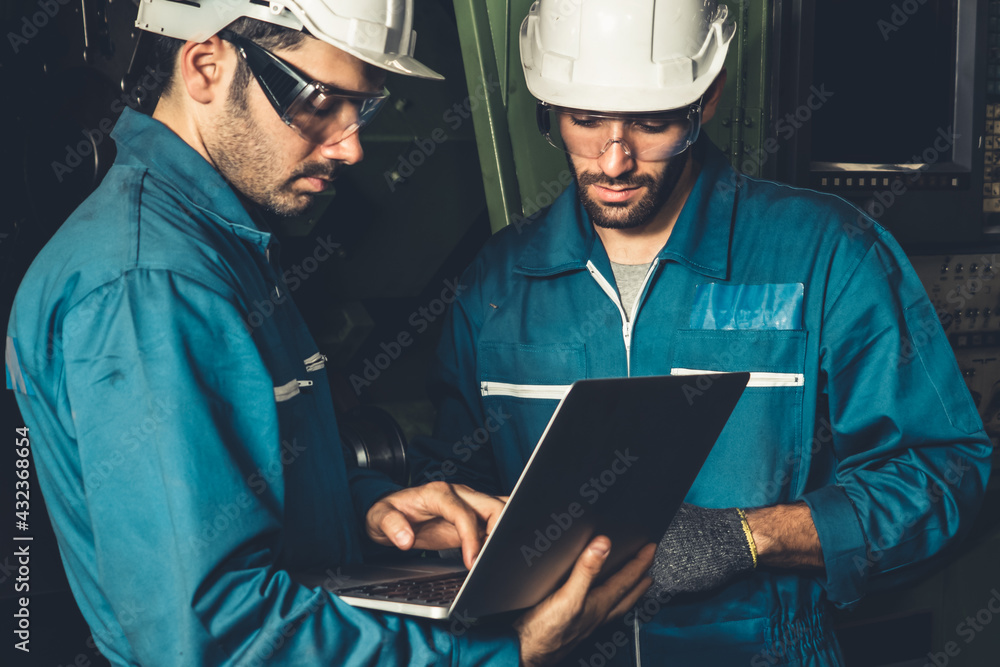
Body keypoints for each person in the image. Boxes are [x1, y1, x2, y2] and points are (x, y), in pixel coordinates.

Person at [3, 1, 656, 664]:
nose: (351, 145)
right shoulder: (151, 284)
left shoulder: (223, 245)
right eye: (321, 101)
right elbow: (215, 639)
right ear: (206, 66)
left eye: (363, 109)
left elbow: (244, 489)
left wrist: (368, 509)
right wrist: (505, 650)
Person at [408, 0, 994, 664]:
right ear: (549, 109)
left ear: (706, 98)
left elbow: (944, 472)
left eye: (652, 123)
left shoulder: (828, 254)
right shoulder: (495, 282)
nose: (615, 158)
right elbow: (449, 485)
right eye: (585, 120)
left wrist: (752, 536)